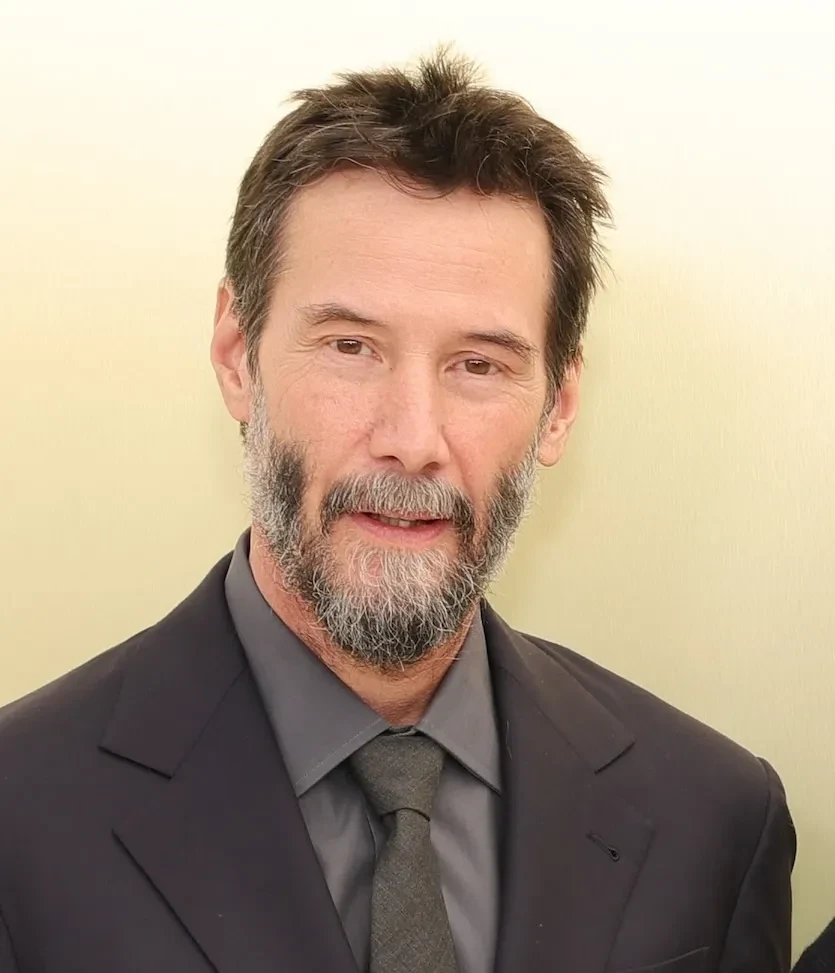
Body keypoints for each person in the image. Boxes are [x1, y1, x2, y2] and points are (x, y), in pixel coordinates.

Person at [0, 49, 795, 973]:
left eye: (479, 364)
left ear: (559, 405)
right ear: (236, 354)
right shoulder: (18, 818)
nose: (412, 438)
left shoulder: (713, 818)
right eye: (351, 346)